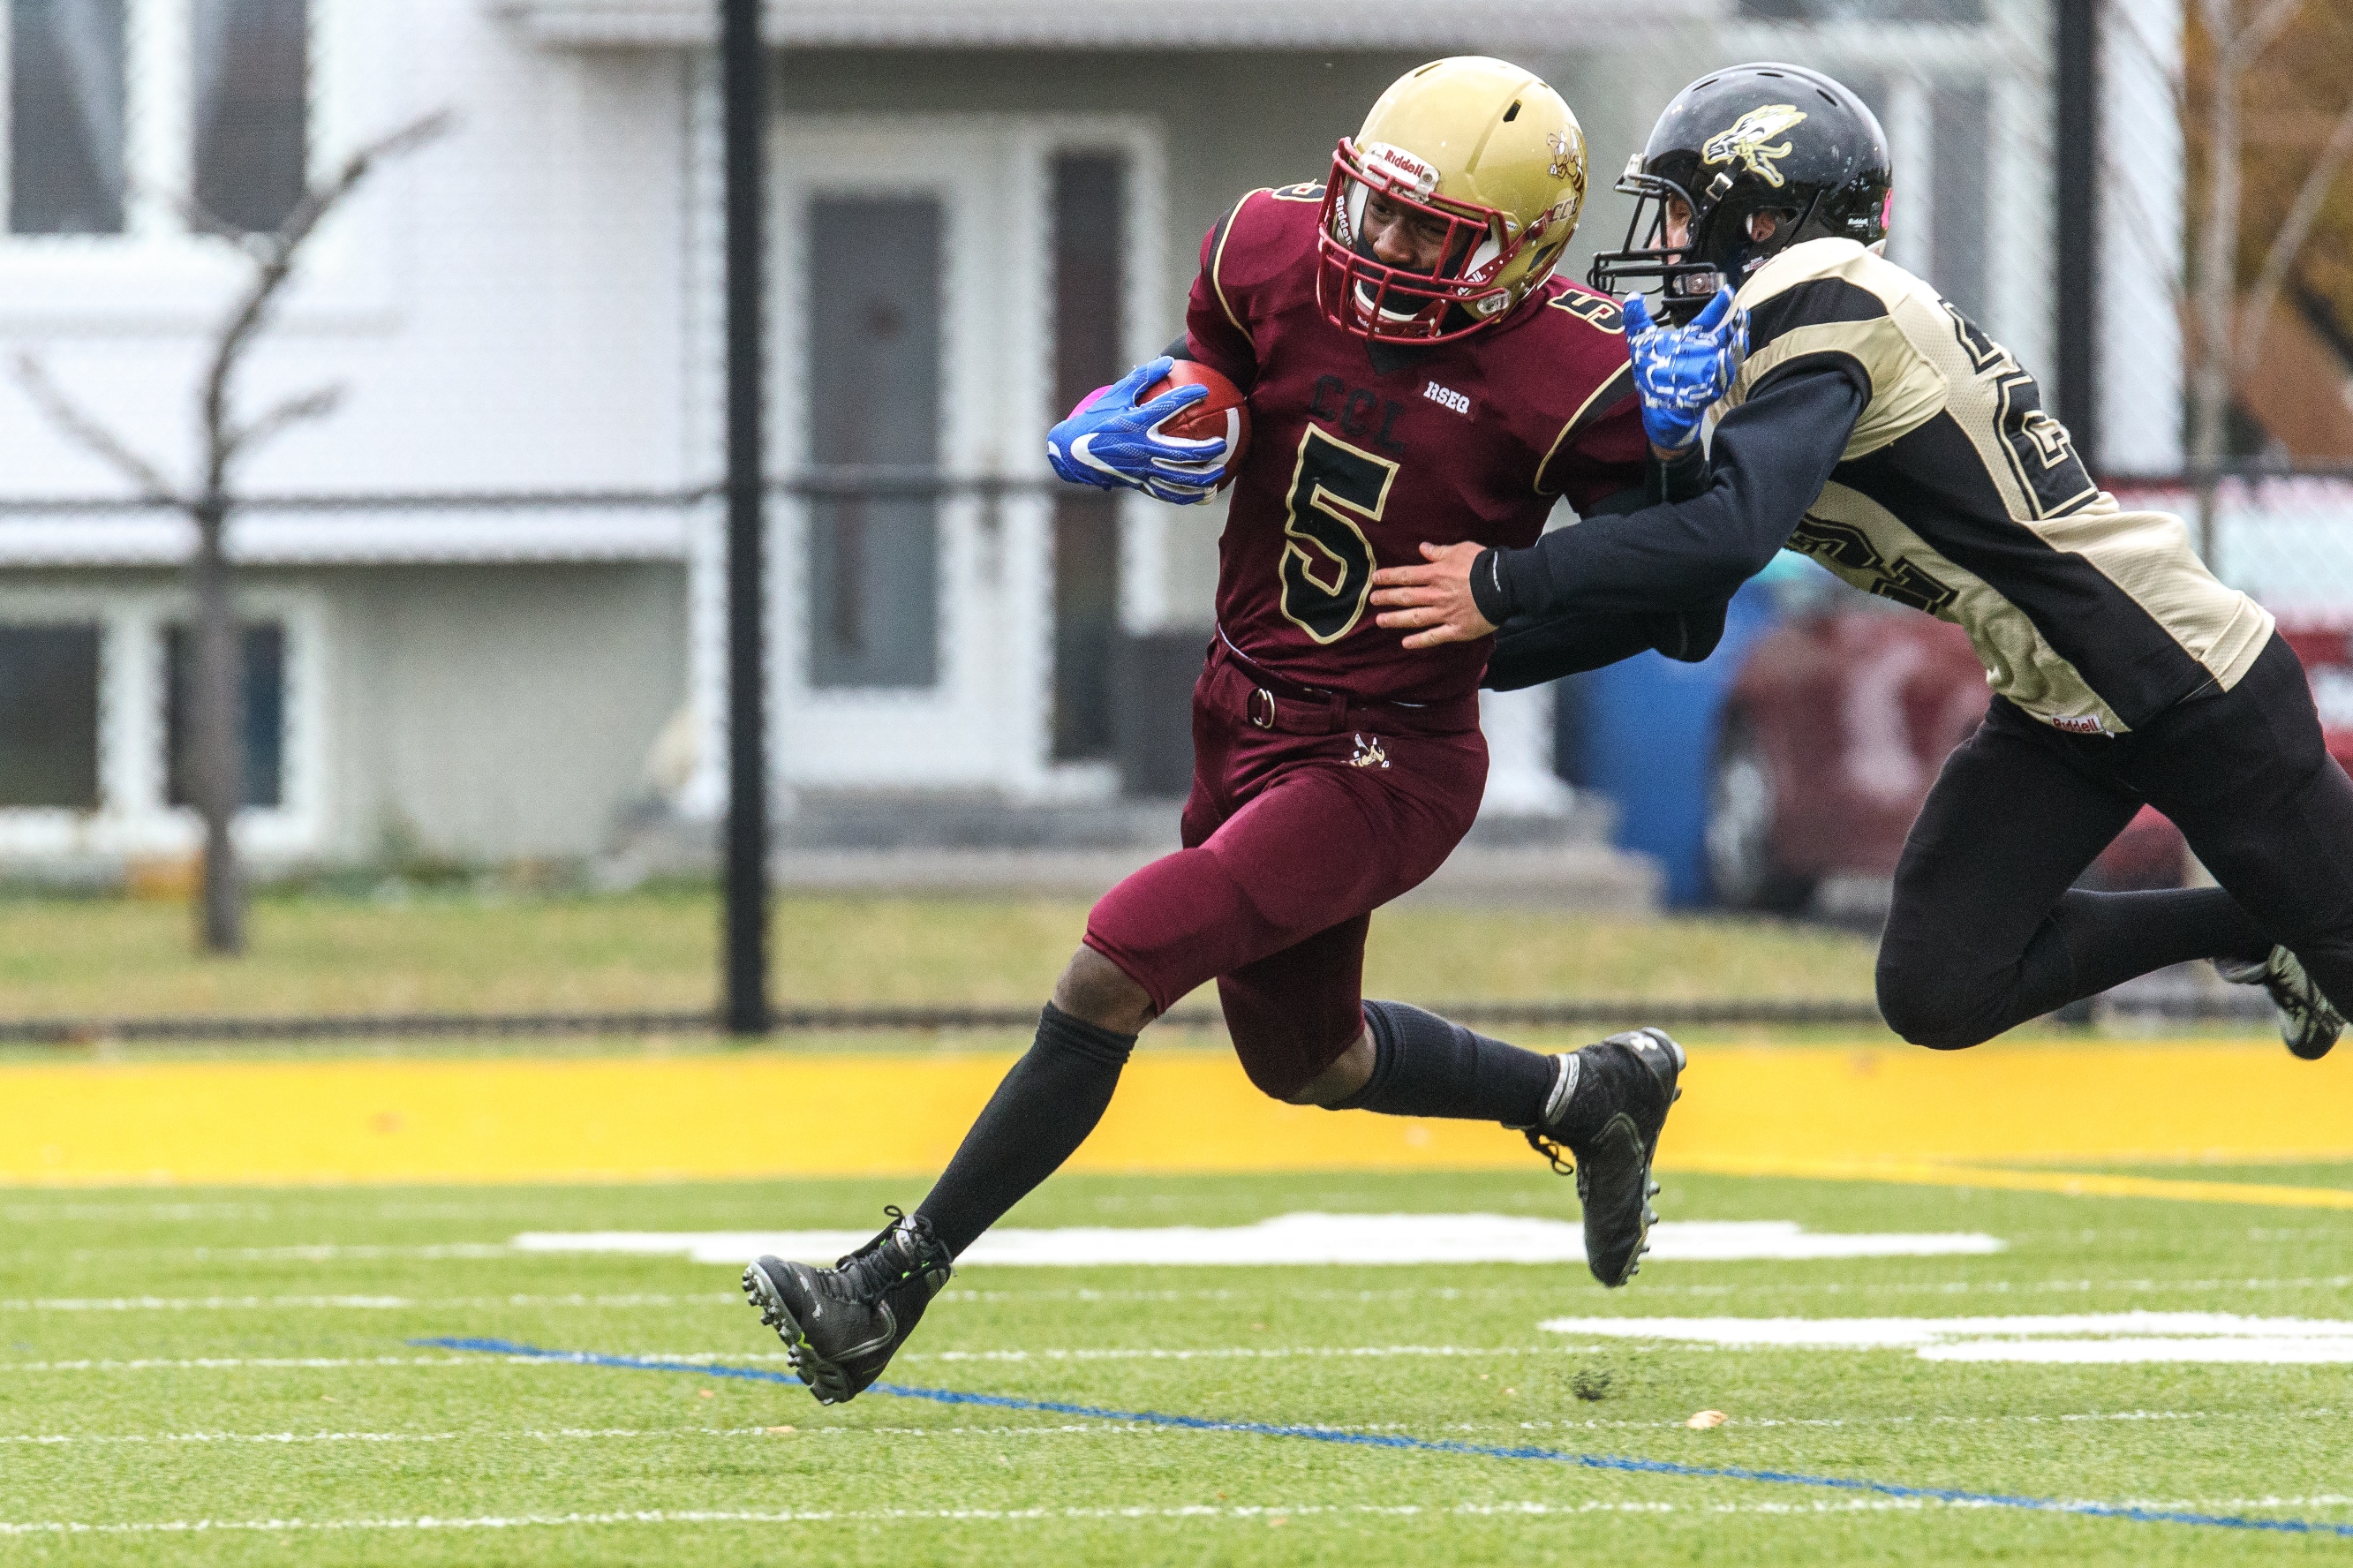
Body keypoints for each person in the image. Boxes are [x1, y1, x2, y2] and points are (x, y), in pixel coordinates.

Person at [740, 56, 1693, 1407]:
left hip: (1388, 757)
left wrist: (1526, 584)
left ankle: (885, 1285)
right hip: (1236, 704)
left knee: (1114, 964)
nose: (1388, 251)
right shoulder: (1268, 242)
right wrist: (1180, 406)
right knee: (1309, 1060)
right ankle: (1586, 1094)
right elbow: (1224, 363)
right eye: (1380, 212)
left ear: (1522, 252)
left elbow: (1680, 590)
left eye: (1436, 234)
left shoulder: (1572, 373)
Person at [1370, 60, 2350, 1063]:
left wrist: (1502, 581)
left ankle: (2300, 928)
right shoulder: (1756, 343)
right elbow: (1686, 607)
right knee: (1940, 984)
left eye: (1675, 212)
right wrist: (1433, 655)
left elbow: (1730, 533)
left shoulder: (1823, 293)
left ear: (1758, 219)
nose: (1661, 243)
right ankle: (2256, 925)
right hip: (2061, 703)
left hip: (2181, 673)